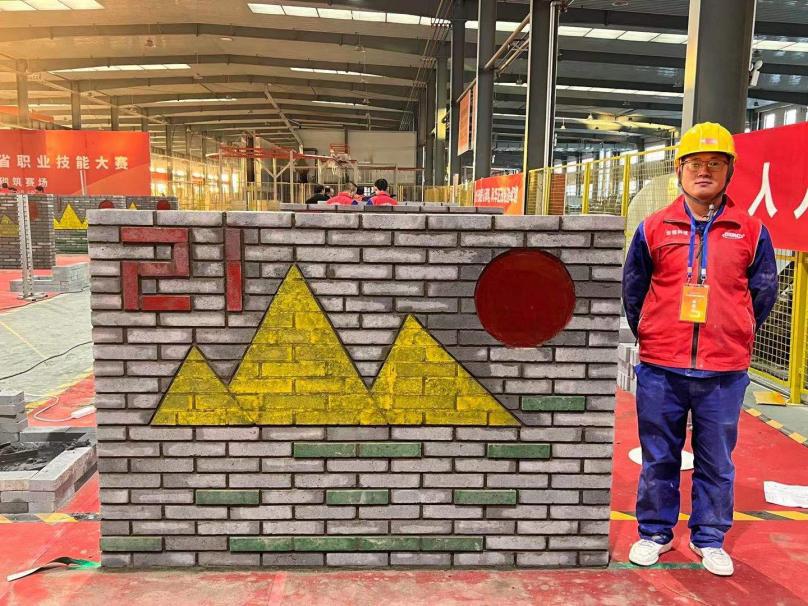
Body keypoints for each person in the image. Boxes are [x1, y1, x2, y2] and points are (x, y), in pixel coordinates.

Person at [622, 122, 777, 577]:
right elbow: (634, 290)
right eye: (694, 163)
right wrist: (655, 333)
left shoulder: (751, 231)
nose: (703, 171)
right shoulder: (654, 228)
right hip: (661, 367)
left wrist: (733, 331)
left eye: (714, 163)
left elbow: (763, 292)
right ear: (679, 171)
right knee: (659, 456)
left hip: (724, 371)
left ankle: (709, 537)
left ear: (729, 171)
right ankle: (655, 532)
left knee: (716, 460)